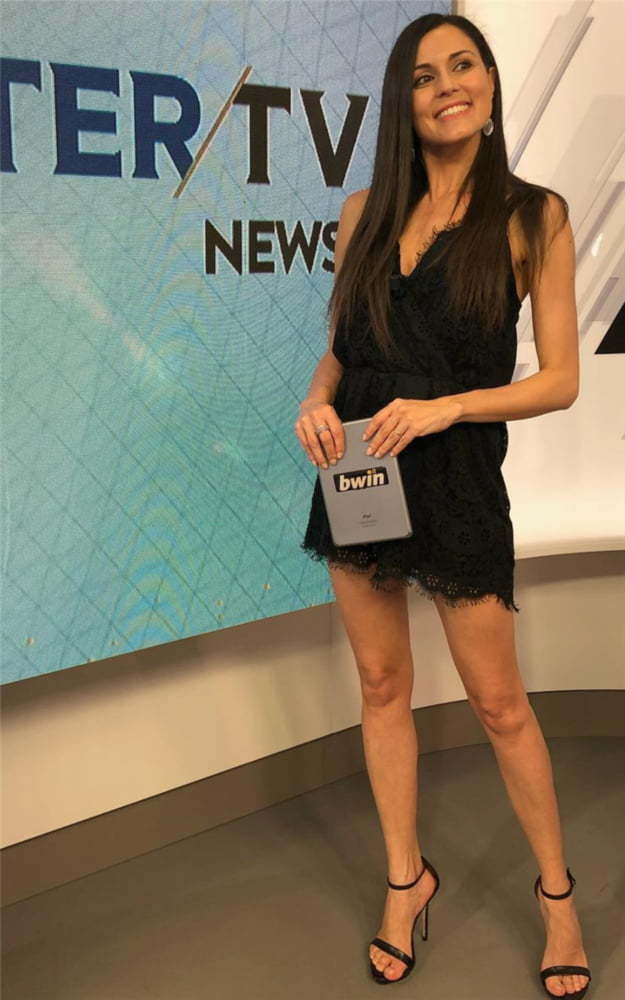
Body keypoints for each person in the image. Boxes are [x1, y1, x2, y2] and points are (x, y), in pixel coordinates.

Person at [294, 12, 591, 999]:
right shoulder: (363, 213)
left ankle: (556, 897)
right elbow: (342, 349)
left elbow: (559, 380)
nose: (446, 85)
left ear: (490, 85)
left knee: (499, 705)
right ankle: (404, 880)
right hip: (360, 468)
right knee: (382, 686)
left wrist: (448, 407)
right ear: (403, 101)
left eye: (463, 65)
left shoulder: (533, 216)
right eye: (423, 75)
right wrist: (316, 402)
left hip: (456, 473)